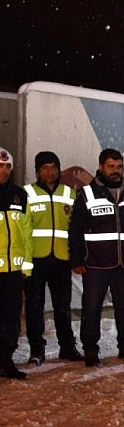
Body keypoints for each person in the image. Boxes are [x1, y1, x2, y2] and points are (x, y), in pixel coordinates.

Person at [68, 148, 124, 367]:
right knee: (92, 307)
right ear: (101, 167)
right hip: (96, 263)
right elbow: (75, 229)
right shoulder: (87, 194)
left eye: (119, 166)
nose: (115, 171)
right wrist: (76, 259)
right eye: (111, 166)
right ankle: (91, 349)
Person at [24, 151, 82, 365]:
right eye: (44, 168)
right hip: (35, 260)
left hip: (61, 259)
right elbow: (22, 229)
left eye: (53, 167)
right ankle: (36, 350)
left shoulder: (70, 193)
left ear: (59, 170)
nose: (49, 172)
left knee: (63, 306)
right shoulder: (26, 193)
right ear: (37, 171)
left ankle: (67, 347)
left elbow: (75, 228)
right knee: (34, 307)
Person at [0, 147, 33, 379]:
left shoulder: (19, 195)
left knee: (11, 318)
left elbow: (27, 232)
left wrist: (27, 266)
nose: (4, 170)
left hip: (13, 270)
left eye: (7, 166)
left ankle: (6, 360)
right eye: (0, 166)